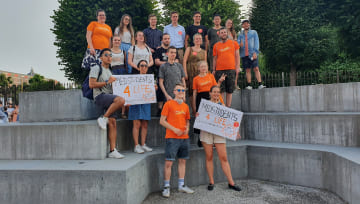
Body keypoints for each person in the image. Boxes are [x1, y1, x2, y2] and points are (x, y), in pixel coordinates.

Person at [198, 85, 241, 192]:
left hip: (219, 133)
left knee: (224, 158)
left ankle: (231, 182)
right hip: (206, 132)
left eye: (218, 92)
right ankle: (211, 182)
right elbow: (200, 119)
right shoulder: (205, 105)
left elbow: (229, 120)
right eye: (214, 92)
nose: (216, 94)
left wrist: (235, 131)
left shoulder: (222, 106)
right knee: (209, 157)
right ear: (210, 93)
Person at [89, 48, 126, 159]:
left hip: (109, 98)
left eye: (110, 55)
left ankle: (112, 150)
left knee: (113, 122)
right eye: (106, 55)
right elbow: (91, 84)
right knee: (120, 100)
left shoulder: (110, 71)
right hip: (100, 97)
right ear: (101, 57)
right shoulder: (96, 68)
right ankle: (103, 118)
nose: (109, 57)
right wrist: (107, 82)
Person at [160, 84, 194, 198]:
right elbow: (162, 121)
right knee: (169, 162)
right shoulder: (168, 104)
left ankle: (181, 185)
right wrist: (174, 129)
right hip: (172, 138)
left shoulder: (185, 106)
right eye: (179, 90)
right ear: (174, 92)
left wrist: (187, 128)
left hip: (184, 138)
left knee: (182, 162)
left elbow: (187, 120)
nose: (181, 92)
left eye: (183, 90)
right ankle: (166, 187)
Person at [128, 60, 154, 154]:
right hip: (135, 102)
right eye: (142, 65)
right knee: (137, 124)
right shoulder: (133, 78)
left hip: (146, 102)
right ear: (138, 67)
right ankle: (136, 145)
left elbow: (152, 91)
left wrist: (154, 88)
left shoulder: (150, 78)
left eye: (145, 66)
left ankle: (143, 144)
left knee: (145, 124)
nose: (143, 67)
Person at [212, 28, 240, 107]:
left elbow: (237, 56)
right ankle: (221, 106)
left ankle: (228, 107)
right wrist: (213, 69)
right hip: (219, 70)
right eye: (222, 32)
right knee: (220, 90)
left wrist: (237, 68)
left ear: (227, 33)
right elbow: (214, 58)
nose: (223, 34)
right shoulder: (216, 46)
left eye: (225, 32)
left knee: (229, 90)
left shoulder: (234, 43)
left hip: (231, 69)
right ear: (219, 34)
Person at [154, 33, 179, 115]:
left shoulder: (173, 50)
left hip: (172, 74)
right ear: (162, 40)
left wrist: (164, 63)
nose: (167, 40)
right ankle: (159, 109)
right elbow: (157, 62)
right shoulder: (159, 50)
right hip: (161, 73)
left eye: (168, 38)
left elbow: (177, 61)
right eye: (165, 38)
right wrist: (168, 63)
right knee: (160, 91)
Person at [237, 20, 265, 90]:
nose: (246, 25)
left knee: (256, 68)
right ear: (242, 26)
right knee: (247, 70)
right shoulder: (240, 35)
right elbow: (237, 44)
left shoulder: (254, 32)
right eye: (244, 24)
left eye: (247, 24)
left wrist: (255, 52)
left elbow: (256, 42)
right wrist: (239, 45)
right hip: (244, 54)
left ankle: (260, 84)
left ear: (249, 25)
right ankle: (249, 85)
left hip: (252, 53)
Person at [183, 33, 206, 114]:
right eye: (196, 38)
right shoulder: (189, 49)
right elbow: (185, 61)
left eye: (200, 38)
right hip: (191, 72)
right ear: (193, 40)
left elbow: (205, 63)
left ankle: (201, 110)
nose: (198, 40)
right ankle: (194, 110)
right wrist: (185, 73)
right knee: (191, 92)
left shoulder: (204, 51)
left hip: (200, 73)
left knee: (200, 91)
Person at [111, 35, 127, 119]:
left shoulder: (123, 51)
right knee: (114, 92)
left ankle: (123, 112)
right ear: (112, 41)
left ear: (120, 42)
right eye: (115, 40)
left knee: (123, 92)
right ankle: (113, 112)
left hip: (122, 71)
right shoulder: (109, 51)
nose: (117, 42)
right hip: (113, 71)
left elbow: (125, 63)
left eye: (118, 40)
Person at [225, 19, 240, 90]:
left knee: (235, 69)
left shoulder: (233, 33)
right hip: (225, 52)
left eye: (231, 23)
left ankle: (235, 84)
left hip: (233, 52)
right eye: (228, 23)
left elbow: (235, 43)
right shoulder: (223, 31)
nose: (229, 24)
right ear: (225, 23)